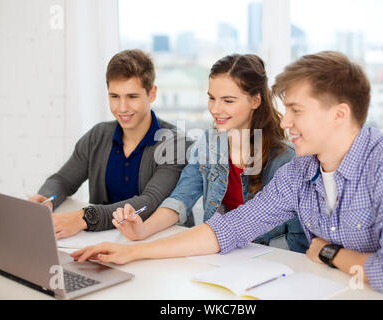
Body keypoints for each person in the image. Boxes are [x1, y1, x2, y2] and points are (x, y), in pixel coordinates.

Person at [71, 51, 383, 296]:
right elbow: (228, 228)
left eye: (296, 110)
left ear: (339, 114)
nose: (286, 121)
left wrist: (327, 252)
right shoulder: (301, 172)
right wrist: (136, 253)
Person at [110, 54, 308, 252]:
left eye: (228, 101)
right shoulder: (208, 142)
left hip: (267, 261)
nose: (215, 109)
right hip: (220, 251)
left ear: (255, 100)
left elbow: (298, 240)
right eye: (211, 98)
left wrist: (244, 254)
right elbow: (182, 197)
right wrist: (143, 230)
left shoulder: (286, 159)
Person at [29, 49, 191, 239]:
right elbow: (63, 181)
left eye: (132, 97)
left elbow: (150, 202)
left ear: (152, 93)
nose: (122, 108)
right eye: (114, 96)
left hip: (155, 244)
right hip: (101, 239)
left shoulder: (175, 144)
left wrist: (85, 218)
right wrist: (47, 198)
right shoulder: (98, 136)